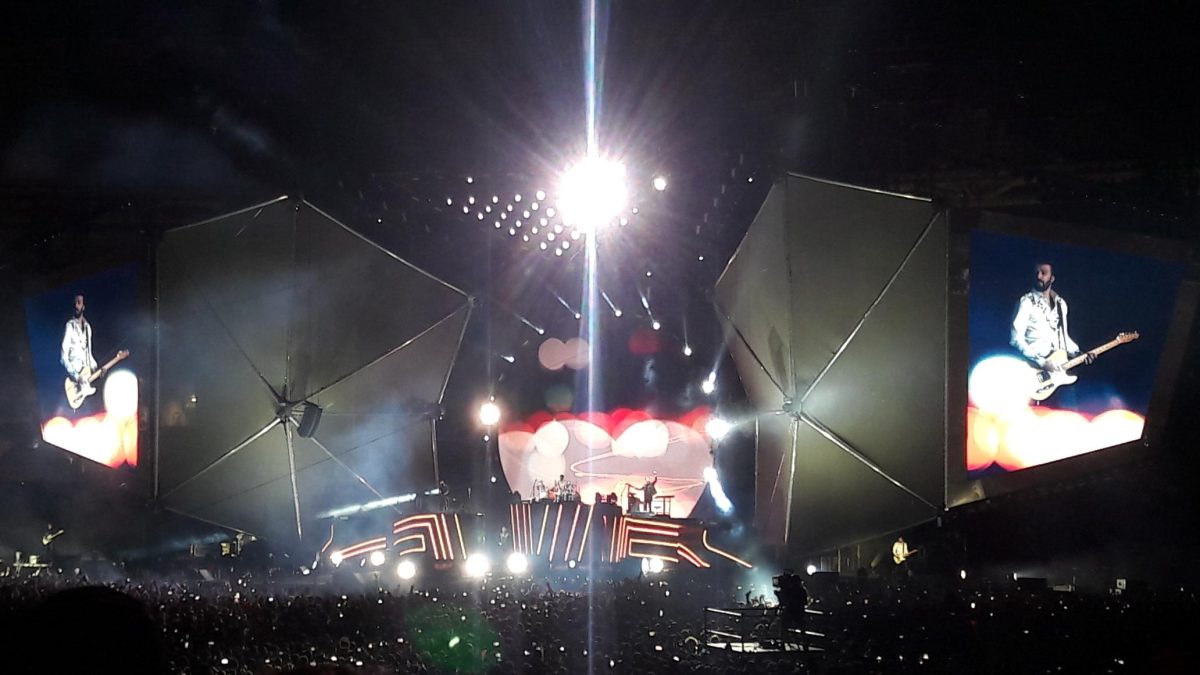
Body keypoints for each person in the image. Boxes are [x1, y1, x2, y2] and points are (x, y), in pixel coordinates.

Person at [1011, 262, 1095, 372]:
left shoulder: (1061, 304)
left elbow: (1063, 337)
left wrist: (1078, 353)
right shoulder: (1026, 302)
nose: (1038, 276)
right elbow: (1016, 339)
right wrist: (1041, 362)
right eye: (1036, 273)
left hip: (1057, 370)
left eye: (1043, 273)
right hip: (1033, 368)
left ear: (1052, 278)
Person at [61, 293, 99, 404]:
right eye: (74, 303)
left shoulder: (88, 328)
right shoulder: (70, 326)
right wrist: (77, 377)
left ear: (83, 306)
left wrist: (96, 367)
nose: (76, 305)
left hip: (87, 375)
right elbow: (63, 357)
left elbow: (88, 353)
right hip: (76, 378)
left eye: (79, 302)